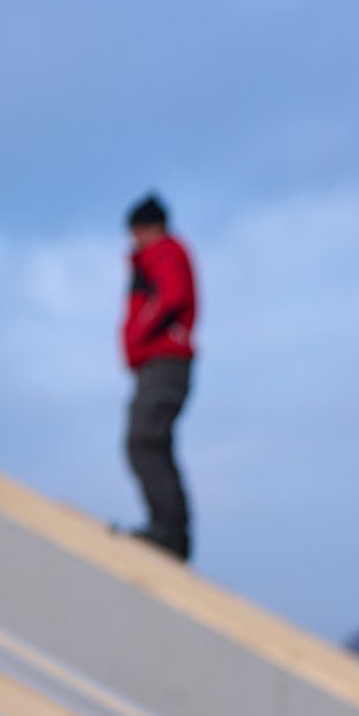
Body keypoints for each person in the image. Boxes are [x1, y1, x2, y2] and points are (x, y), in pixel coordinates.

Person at [118, 193, 198, 560]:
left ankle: (168, 535)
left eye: (136, 231)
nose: (133, 239)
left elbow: (172, 296)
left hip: (165, 362)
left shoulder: (166, 252)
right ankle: (168, 533)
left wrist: (140, 333)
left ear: (149, 227)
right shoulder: (150, 259)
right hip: (156, 364)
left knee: (144, 440)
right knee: (152, 443)